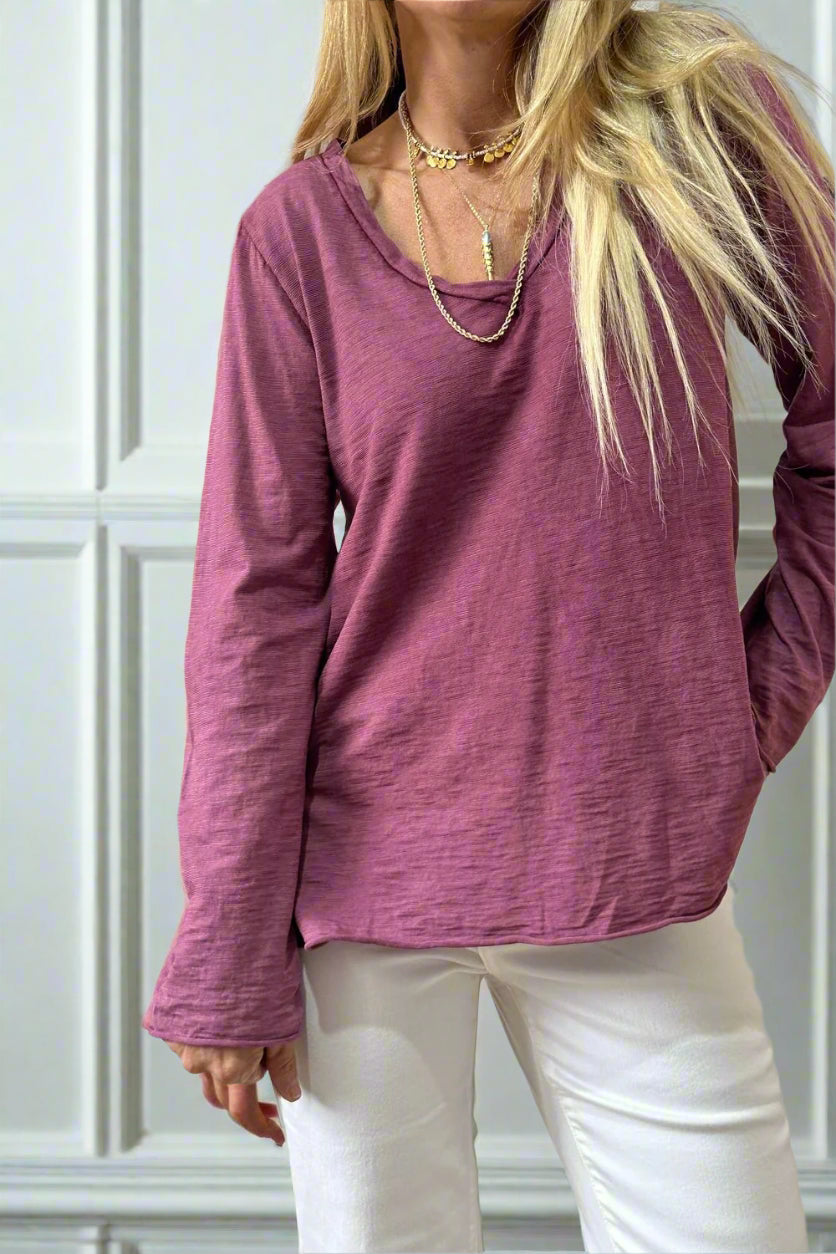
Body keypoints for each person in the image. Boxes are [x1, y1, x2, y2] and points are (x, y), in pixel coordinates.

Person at [142, 1, 835, 1250]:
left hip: (634, 861)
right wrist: (226, 941)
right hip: (361, 878)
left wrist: (743, 714)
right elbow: (255, 602)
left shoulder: (695, 133)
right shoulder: (298, 234)